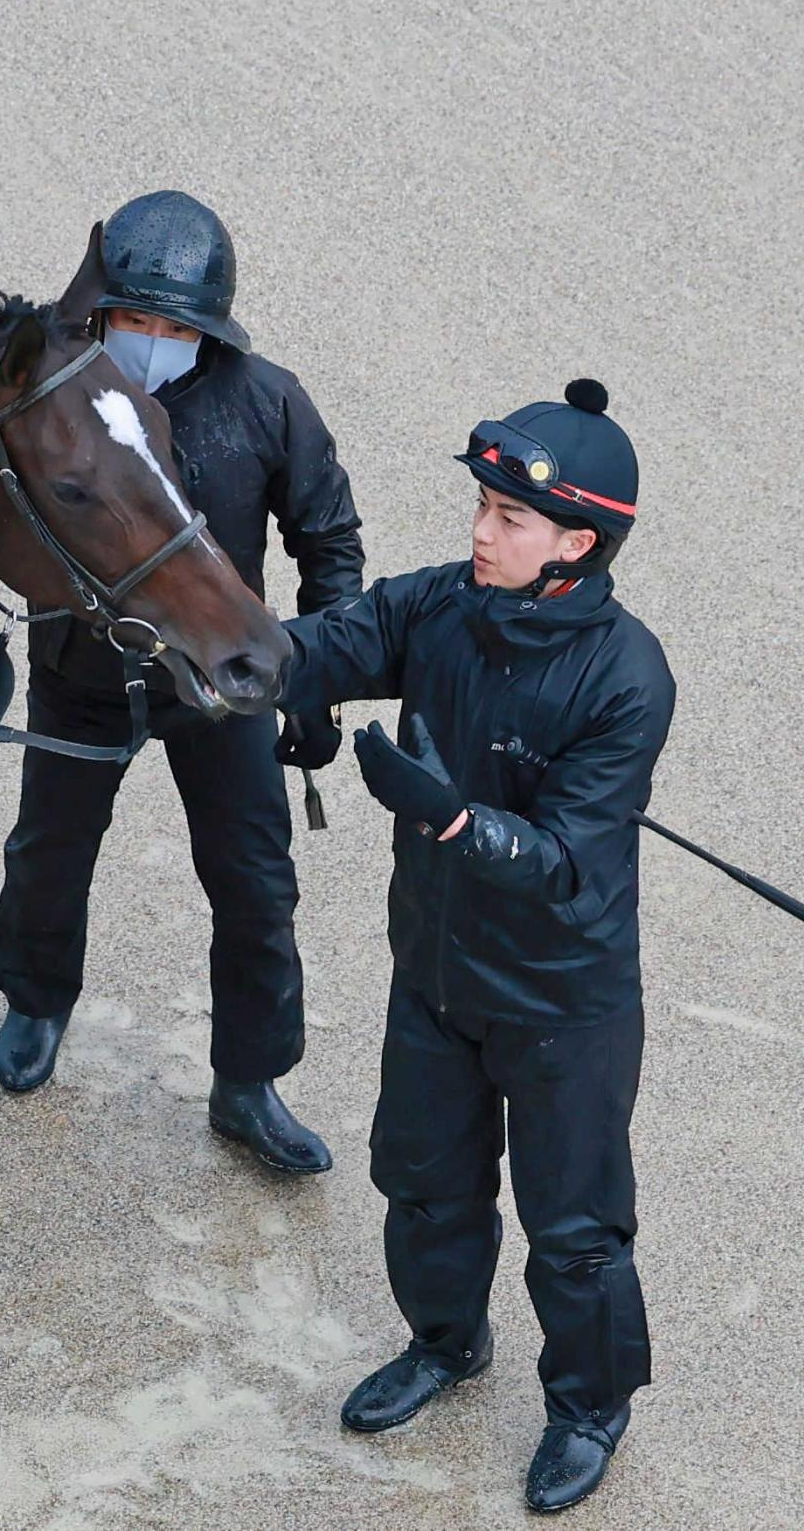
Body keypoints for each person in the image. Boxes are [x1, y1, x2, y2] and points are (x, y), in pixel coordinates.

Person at [278, 380, 673, 1514]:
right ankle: (446, 1342)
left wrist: (447, 815)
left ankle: (589, 1406)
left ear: (576, 545)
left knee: (576, 1234)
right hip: (439, 976)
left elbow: (564, 860)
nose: (479, 531)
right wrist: (237, 661)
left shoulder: (626, 679)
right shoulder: (446, 606)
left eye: (507, 517)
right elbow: (335, 640)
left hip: (562, 1003)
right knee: (424, 1184)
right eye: (482, 506)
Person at [0, 189, 363, 1175]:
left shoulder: (269, 402)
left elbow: (328, 539)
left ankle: (248, 1081)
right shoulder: (64, 396)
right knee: (48, 853)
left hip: (217, 686)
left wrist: (314, 678)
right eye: (133, 320)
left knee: (254, 880)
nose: (150, 341)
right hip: (79, 672)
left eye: (172, 326)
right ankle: (35, 1001)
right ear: (100, 309)